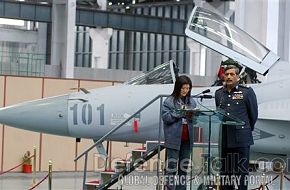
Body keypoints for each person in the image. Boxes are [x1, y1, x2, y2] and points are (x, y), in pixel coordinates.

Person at [215, 65, 258, 190]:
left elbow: (253, 115)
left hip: (241, 140)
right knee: (226, 175)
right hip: (225, 140)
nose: (228, 76)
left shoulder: (247, 92)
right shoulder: (219, 93)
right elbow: (219, 114)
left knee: (241, 175)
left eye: (232, 74)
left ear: (238, 77)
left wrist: (245, 129)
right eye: (226, 74)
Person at [162, 75, 197, 190]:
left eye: (188, 88)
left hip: (187, 139)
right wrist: (180, 113)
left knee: (184, 167)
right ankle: (169, 188)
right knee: (172, 167)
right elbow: (166, 118)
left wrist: (194, 115)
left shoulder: (192, 102)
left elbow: (194, 120)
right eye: (183, 88)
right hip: (174, 139)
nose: (185, 91)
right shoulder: (169, 101)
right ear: (178, 88)